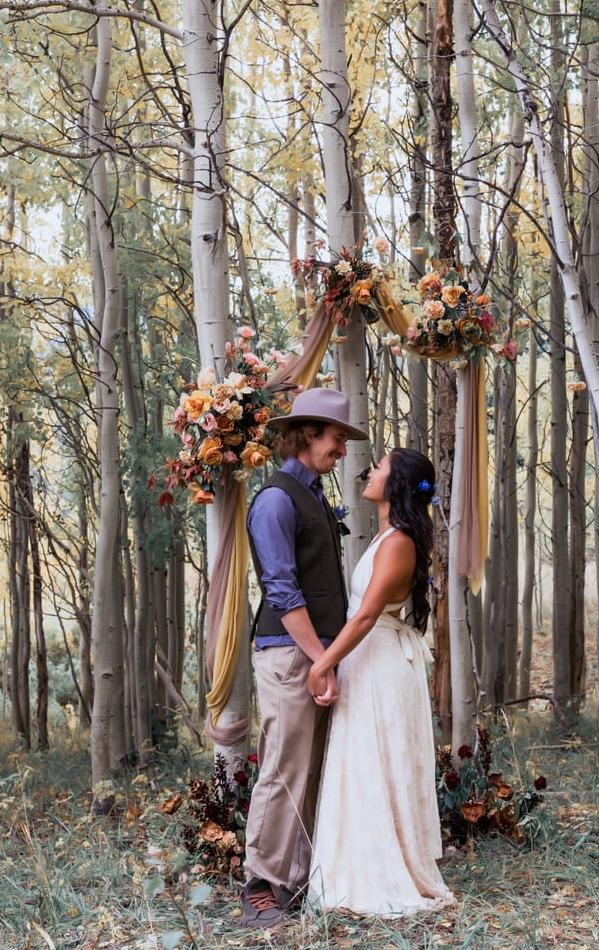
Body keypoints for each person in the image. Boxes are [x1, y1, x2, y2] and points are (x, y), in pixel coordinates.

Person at [307, 448, 455, 916]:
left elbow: (368, 614)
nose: (370, 471)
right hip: (366, 662)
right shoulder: (387, 536)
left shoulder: (399, 542)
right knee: (361, 763)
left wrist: (320, 663)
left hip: (382, 665)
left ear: (396, 484)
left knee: (377, 761)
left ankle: (383, 871)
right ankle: (354, 864)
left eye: (381, 467)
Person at [241, 387, 369, 929]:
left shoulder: (312, 494)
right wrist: (320, 660)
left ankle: (294, 883)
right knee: (284, 768)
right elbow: (283, 591)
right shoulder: (274, 500)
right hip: (289, 655)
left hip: (315, 656)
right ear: (308, 434)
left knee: (312, 769)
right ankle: (260, 885)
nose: (342, 450)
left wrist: (328, 660)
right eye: (337, 439)